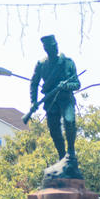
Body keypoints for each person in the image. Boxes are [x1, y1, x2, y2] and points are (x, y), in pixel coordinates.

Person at [29, 35, 81, 176]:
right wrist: (33, 101)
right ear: (46, 49)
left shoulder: (67, 62)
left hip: (66, 99)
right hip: (50, 101)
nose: (55, 48)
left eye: (55, 45)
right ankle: (62, 157)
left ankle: (71, 153)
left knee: (69, 121)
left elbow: (77, 84)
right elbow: (34, 83)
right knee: (54, 131)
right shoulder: (41, 64)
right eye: (51, 47)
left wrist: (65, 86)